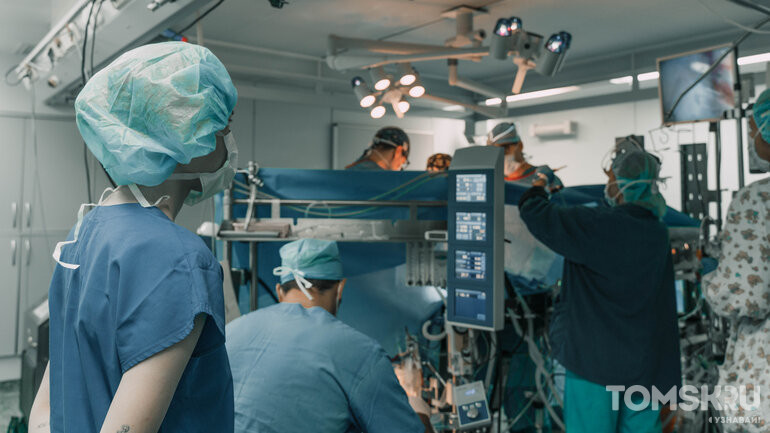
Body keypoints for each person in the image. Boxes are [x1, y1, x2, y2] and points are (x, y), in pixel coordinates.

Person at [28, 42, 238, 433]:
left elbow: (43, 417)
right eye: (222, 124)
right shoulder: (179, 258)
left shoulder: (83, 233)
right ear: (182, 138)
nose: (228, 138)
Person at [517, 138, 681, 433]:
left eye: (611, 180)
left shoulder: (597, 224)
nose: (608, 186)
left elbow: (534, 212)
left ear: (623, 185)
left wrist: (539, 183)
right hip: (644, 365)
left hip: (594, 363)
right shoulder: (657, 232)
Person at [226, 239, 434, 433]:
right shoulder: (360, 352)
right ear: (340, 288)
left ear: (280, 290)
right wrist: (420, 411)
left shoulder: (230, 333)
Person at [701, 91, 770, 431]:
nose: (751, 138)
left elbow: (746, 296)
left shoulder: (757, 200)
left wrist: (712, 280)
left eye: (754, 129)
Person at [487, 121, 563, 190]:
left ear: (520, 146)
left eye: (504, 148)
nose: (499, 154)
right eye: (493, 151)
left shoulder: (545, 179)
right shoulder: (494, 182)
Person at [346, 126, 410, 171]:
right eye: (402, 163)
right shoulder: (385, 179)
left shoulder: (351, 170)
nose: (399, 168)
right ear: (398, 151)